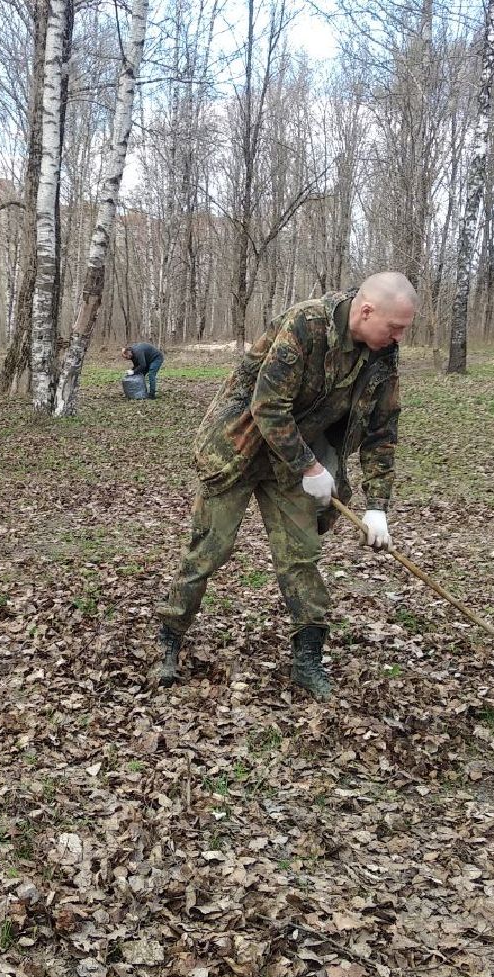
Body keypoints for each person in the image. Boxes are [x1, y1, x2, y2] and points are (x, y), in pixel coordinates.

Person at [155, 272, 419, 702]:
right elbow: (268, 405)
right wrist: (310, 468)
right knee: (208, 550)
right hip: (239, 450)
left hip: (293, 465)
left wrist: (378, 507)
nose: (399, 337)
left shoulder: (382, 355)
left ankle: (307, 659)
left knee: (301, 556)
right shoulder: (306, 324)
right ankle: (169, 638)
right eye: (395, 327)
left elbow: (381, 430)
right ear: (367, 311)